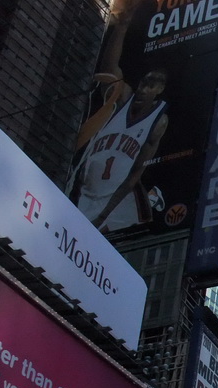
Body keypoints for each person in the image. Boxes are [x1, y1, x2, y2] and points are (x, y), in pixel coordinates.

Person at [69, 0, 169, 233]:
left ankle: (152, 198)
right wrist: (121, 28)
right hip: (85, 187)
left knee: (137, 211)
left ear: (159, 90)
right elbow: (110, 66)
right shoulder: (122, 96)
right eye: (144, 83)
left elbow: (135, 173)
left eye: (151, 85)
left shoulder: (157, 121)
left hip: (112, 198)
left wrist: (105, 214)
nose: (144, 89)